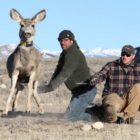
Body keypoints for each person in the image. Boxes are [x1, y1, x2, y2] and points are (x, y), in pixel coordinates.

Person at [38, 30, 97, 121]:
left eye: (65, 40)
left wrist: (50, 87)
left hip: (85, 92)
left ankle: (97, 115)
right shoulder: (65, 54)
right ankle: (90, 110)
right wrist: (48, 86)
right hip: (78, 92)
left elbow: (64, 73)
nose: (62, 42)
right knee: (70, 116)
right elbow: (58, 71)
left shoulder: (74, 54)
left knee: (69, 118)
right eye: (60, 40)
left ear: (71, 41)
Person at [90, 45, 140, 124]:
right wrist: (94, 79)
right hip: (113, 96)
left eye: (127, 55)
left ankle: (128, 117)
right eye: (123, 54)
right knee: (110, 108)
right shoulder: (111, 65)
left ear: (133, 56)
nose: (124, 56)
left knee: (138, 87)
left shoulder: (138, 66)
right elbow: (101, 74)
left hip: (128, 100)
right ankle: (114, 119)